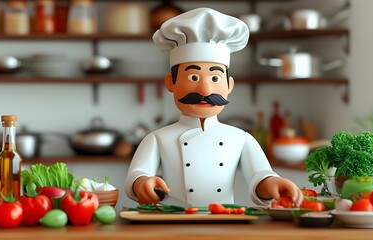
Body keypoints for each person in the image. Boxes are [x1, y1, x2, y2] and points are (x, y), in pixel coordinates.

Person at [125, 8, 303, 207]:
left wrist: (273, 184)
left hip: (224, 222)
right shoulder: (158, 138)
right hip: (173, 223)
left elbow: (260, 176)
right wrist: (142, 183)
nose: (205, 89)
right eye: (193, 77)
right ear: (170, 83)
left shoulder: (240, 138)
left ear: (229, 86)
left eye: (215, 78)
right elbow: (137, 174)